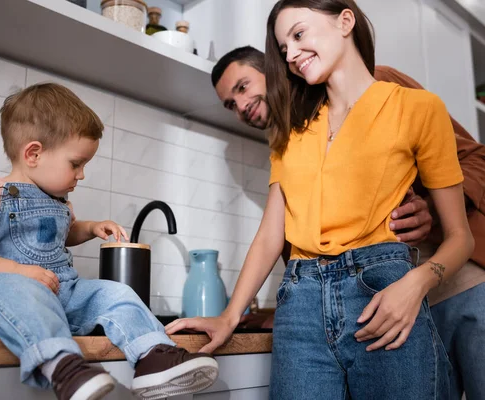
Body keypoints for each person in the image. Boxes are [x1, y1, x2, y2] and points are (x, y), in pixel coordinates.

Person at [166, 1, 475, 399]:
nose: (291, 54)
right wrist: (229, 316)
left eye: (298, 35)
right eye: (283, 49)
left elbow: (459, 238)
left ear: (346, 20)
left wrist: (414, 284)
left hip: (383, 291)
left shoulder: (418, 107)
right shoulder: (291, 132)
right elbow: (270, 235)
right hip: (301, 299)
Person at [0, 83, 218, 400]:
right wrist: (19, 271)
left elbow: (63, 234)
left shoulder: (57, 201)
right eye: (76, 164)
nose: (81, 175)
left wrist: (91, 227)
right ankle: (64, 368)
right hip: (5, 298)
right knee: (21, 290)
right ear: (33, 154)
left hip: (62, 292)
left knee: (115, 292)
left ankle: (153, 358)